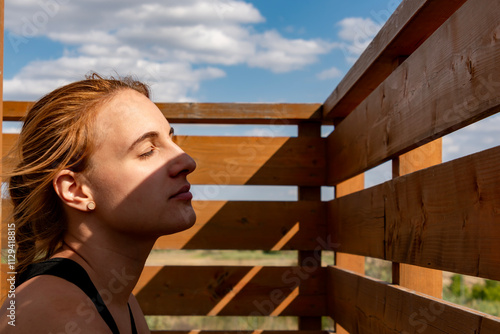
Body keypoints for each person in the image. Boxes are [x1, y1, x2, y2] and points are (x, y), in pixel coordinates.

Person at [0, 73, 197, 333]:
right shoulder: (62, 315)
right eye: (148, 150)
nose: (187, 162)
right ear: (76, 191)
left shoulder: (116, 299)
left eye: (172, 140)